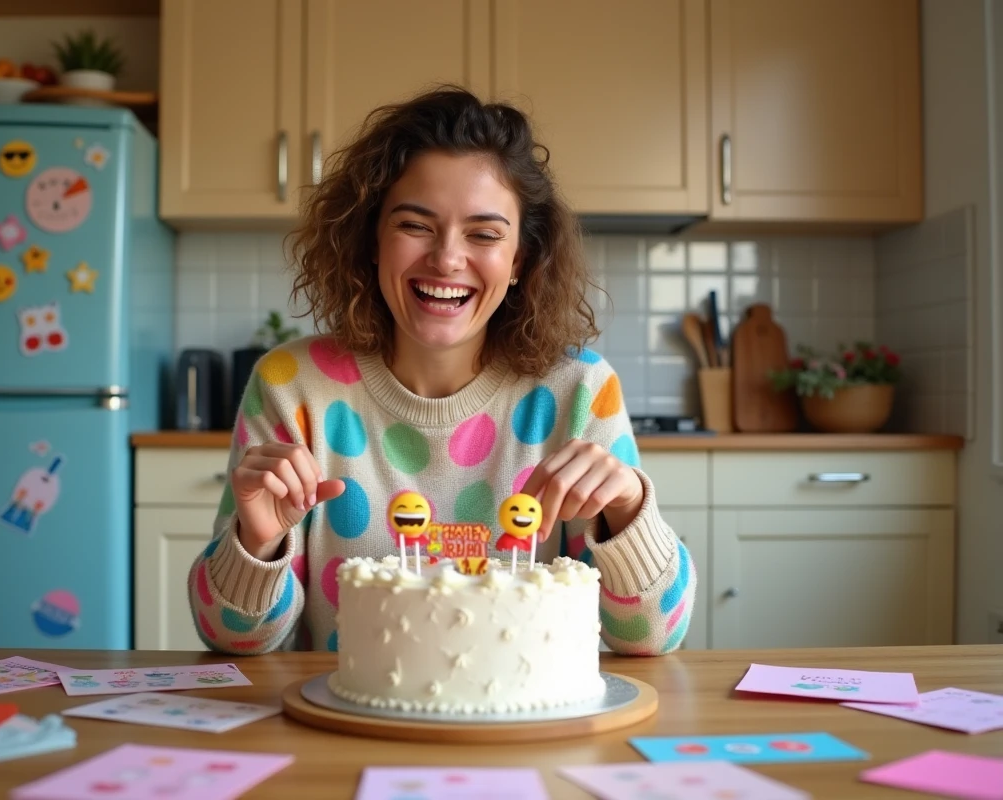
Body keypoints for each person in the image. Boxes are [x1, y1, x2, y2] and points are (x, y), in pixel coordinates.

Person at [187, 86, 695, 657]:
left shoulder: (579, 390)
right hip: (349, 736)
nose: (448, 258)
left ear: (520, 260)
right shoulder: (292, 384)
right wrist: (257, 542)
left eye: (484, 234)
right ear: (371, 239)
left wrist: (626, 512)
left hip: (530, 737)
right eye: (415, 225)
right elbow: (232, 639)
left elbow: (654, 636)